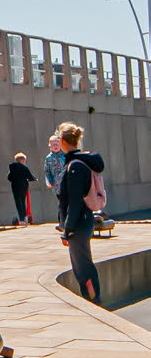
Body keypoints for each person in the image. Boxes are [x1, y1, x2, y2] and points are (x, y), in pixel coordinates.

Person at [57, 122, 103, 304]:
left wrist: (68, 229)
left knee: (83, 268)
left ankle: (94, 302)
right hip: (83, 221)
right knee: (83, 266)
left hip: (78, 224)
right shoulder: (81, 163)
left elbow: (75, 200)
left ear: (62, 141)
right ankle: (94, 300)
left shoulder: (75, 166)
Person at [43, 133, 67, 227]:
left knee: (65, 202)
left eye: (57, 144)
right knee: (61, 202)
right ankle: (62, 222)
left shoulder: (65, 155)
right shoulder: (48, 158)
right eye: (53, 145)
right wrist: (48, 181)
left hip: (66, 182)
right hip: (57, 185)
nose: (55, 146)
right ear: (50, 146)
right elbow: (47, 171)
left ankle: (65, 222)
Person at [7, 153, 35, 226]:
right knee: (23, 202)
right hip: (23, 186)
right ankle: (24, 217)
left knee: (18, 202)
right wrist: (34, 179)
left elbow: (9, 177)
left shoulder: (12, 168)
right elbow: (30, 177)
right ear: (22, 160)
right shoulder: (24, 168)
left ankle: (21, 218)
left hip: (15, 186)